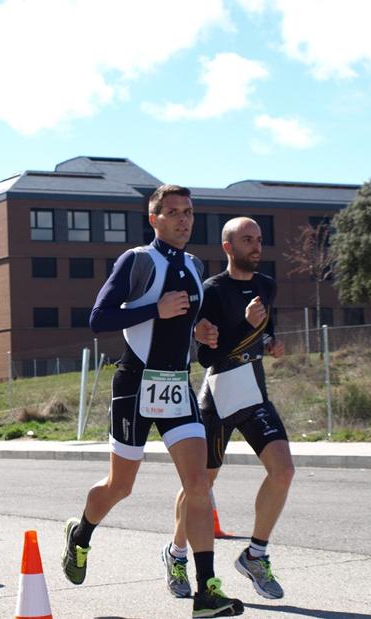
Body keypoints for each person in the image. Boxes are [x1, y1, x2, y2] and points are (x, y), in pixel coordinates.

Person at [61, 185, 244, 617]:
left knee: (198, 485)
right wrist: (154, 310)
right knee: (120, 486)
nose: (183, 220)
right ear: (154, 219)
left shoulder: (197, 266)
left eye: (189, 212)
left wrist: (201, 331)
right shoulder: (138, 260)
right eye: (174, 212)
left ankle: (206, 592)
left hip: (177, 384)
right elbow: (98, 319)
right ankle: (81, 534)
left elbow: (189, 318)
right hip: (135, 383)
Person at [165, 216, 294, 601]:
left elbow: (264, 331)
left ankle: (256, 554)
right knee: (200, 486)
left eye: (259, 239)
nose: (256, 246)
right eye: (247, 240)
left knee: (284, 471)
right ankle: (176, 554)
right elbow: (207, 356)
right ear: (228, 247)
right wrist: (243, 324)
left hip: (254, 394)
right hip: (218, 398)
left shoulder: (266, 286)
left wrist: (271, 343)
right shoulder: (211, 291)